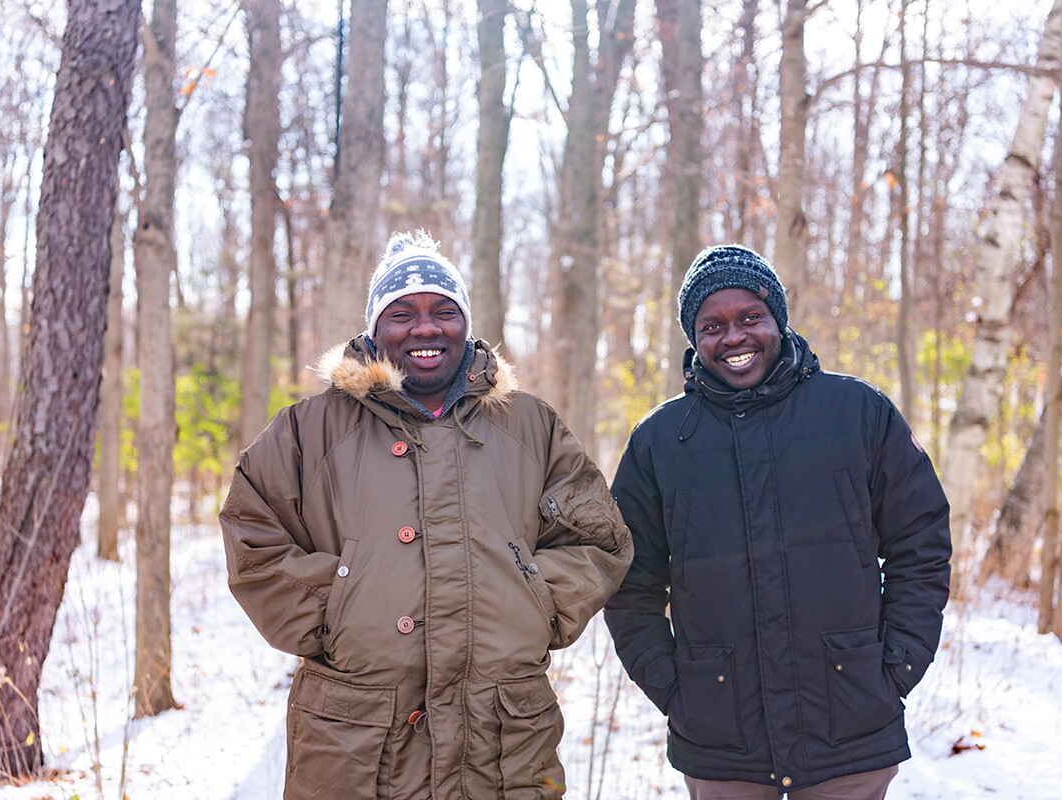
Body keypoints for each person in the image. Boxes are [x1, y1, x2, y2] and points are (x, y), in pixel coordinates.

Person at [220, 230, 633, 800]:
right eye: (402, 314)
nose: (425, 328)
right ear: (374, 328)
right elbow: (252, 533)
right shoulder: (309, 430)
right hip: (356, 745)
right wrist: (336, 607)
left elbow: (597, 536)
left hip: (501, 737)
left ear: (466, 324)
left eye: (444, 311)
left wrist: (535, 600)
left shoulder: (529, 425)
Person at [603, 245, 951, 800]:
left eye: (750, 318)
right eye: (712, 325)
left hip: (851, 726)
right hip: (723, 738)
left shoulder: (858, 412)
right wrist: (677, 690)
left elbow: (921, 544)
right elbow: (627, 580)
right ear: (694, 338)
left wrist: (895, 668)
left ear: (778, 321)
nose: (734, 337)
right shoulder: (660, 441)